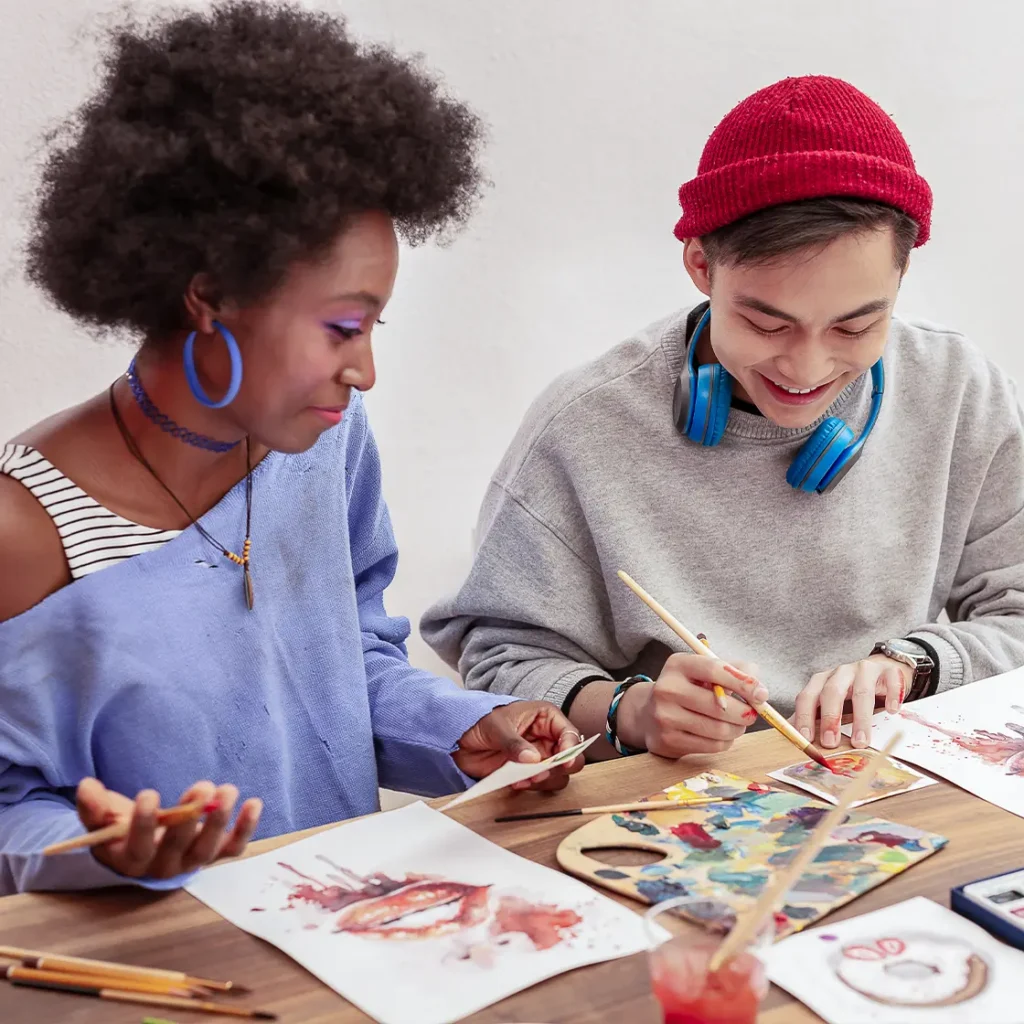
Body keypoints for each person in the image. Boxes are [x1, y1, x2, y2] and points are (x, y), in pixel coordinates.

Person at [0, 0, 584, 897]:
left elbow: (349, 663)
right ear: (211, 297)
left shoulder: (322, 445)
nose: (366, 372)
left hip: (338, 936)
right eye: (343, 328)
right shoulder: (25, 527)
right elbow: (10, 810)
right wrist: (99, 846)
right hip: (150, 977)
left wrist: (463, 728)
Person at [423, 75, 1024, 764]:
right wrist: (631, 711)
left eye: (856, 327)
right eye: (766, 323)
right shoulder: (584, 427)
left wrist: (916, 666)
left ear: (901, 278)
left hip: (884, 791)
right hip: (670, 808)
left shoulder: (961, 393)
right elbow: (501, 657)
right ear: (701, 266)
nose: (806, 369)